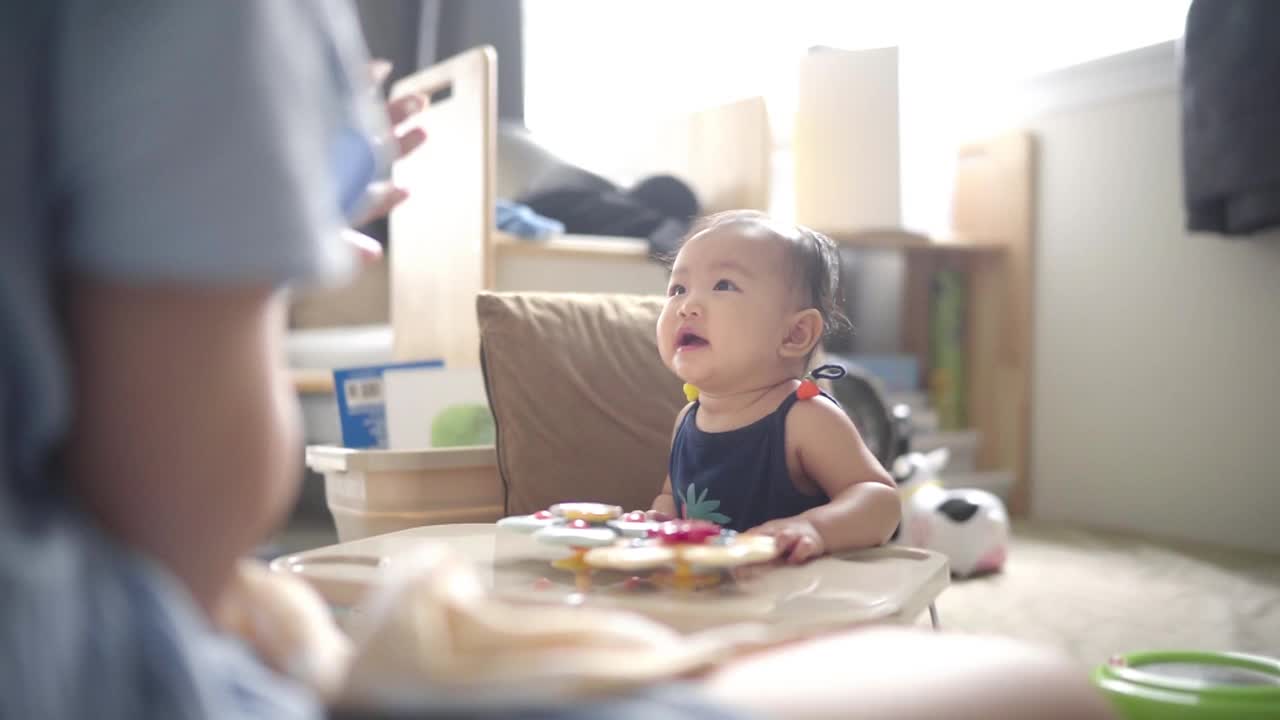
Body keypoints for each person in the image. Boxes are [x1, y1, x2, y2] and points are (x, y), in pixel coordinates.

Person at [648, 210, 900, 564]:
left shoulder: (805, 418)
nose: (687, 306)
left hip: (799, 598)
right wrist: (660, 519)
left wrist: (815, 529)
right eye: (678, 288)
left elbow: (880, 500)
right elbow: (672, 497)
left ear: (795, 334)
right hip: (715, 596)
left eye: (723, 285)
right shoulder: (687, 420)